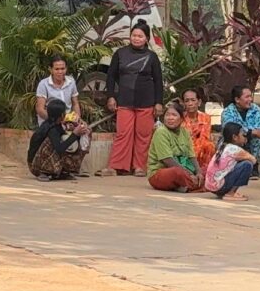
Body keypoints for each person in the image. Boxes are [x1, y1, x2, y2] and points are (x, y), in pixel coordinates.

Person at [97, 19, 164, 178]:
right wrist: (111, 96)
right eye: (134, 35)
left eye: (140, 36)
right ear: (130, 36)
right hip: (124, 101)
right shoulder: (120, 53)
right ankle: (116, 166)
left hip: (146, 102)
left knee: (143, 135)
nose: (136, 38)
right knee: (123, 133)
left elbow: (158, 81)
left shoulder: (152, 56)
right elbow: (111, 77)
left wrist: (158, 102)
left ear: (146, 38)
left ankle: (139, 167)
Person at [147, 102, 204, 192]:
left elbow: (192, 156)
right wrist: (189, 174)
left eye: (174, 115)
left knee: (206, 170)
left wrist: (199, 172)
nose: (170, 118)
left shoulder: (185, 132)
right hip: (161, 173)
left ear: (181, 119)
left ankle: (186, 185)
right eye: (167, 115)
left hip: (184, 169)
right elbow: (167, 160)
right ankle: (196, 185)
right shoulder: (161, 132)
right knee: (177, 172)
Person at [28, 99, 89, 182]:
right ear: (61, 115)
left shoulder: (57, 125)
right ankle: (43, 171)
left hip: (42, 160)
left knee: (71, 137)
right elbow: (60, 149)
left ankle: (62, 171)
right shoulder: (51, 129)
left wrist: (74, 130)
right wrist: (74, 134)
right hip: (35, 164)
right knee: (51, 142)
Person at [220, 86, 260, 179]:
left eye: (251, 96)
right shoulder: (227, 112)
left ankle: (253, 167)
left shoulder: (256, 109)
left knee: (258, 141)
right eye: (247, 97)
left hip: (250, 140)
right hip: (234, 140)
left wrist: (248, 133)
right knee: (230, 141)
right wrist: (252, 132)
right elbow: (230, 129)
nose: (250, 99)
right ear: (237, 99)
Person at [205, 122, 257, 201]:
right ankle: (231, 193)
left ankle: (226, 192)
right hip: (220, 186)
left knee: (235, 163)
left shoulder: (222, 146)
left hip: (212, 186)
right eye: (243, 135)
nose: (245, 138)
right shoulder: (234, 149)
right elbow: (253, 160)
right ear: (235, 137)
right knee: (247, 164)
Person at [35, 55, 81, 125]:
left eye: (62, 69)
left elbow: (75, 104)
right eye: (57, 69)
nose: (60, 72)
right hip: (49, 122)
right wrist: (57, 121)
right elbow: (40, 109)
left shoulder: (71, 82)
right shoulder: (43, 84)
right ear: (51, 70)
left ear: (66, 68)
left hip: (68, 121)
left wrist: (77, 118)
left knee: (86, 129)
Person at [181, 89, 215, 173]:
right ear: (183, 103)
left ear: (199, 102)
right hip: (184, 149)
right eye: (187, 101)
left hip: (200, 149)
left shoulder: (206, 118)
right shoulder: (179, 118)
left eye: (193, 100)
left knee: (209, 146)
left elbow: (204, 138)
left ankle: (206, 171)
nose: (190, 103)